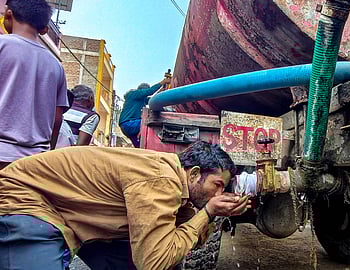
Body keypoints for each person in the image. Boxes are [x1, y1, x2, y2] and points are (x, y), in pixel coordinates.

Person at [0, 141, 249, 270]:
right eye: (217, 185)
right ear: (194, 174)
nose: (219, 193)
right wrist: (207, 212)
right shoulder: (162, 180)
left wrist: (213, 215)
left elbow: (181, 237)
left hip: (72, 214)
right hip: (27, 201)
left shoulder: (177, 185)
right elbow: (154, 263)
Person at [0, 0, 69, 169]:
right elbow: (57, 118)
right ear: (44, 28)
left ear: (8, 13)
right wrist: (48, 152)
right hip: (34, 161)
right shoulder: (56, 66)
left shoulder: (3, 45)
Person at [119, 78, 171, 148]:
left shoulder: (140, 99)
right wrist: (162, 82)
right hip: (130, 123)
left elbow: (152, 100)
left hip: (126, 126)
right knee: (151, 123)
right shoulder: (134, 94)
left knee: (141, 147)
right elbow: (149, 91)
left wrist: (161, 91)